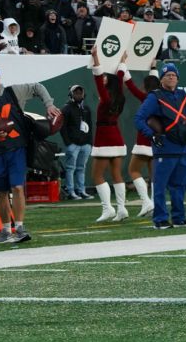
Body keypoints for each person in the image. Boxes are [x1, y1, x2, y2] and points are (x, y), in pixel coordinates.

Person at [0, 62, 60, 243]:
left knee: (17, 187)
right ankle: (6, 230)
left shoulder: (13, 92)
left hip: (17, 148)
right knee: (0, 192)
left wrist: (49, 105)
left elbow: (37, 87)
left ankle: (20, 227)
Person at [134, 63, 186, 229]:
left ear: (177, 78)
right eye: (167, 75)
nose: (171, 77)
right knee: (160, 186)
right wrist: (151, 135)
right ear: (161, 79)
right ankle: (160, 219)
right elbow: (139, 119)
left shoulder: (183, 95)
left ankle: (179, 217)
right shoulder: (154, 97)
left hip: (182, 148)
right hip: (164, 148)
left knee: (180, 185)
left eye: (173, 75)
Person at [88, 49, 133, 222]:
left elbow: (98, 78)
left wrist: (96, 57)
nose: (104, 78)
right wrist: (122, 62)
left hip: (104, 138)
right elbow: (119, 77)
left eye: (107, 77)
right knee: (116, 174)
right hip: (116, 136)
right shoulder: (119, 96)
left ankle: (108, 209)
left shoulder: (106, 98)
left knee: (97, 175)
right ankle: (122, 209)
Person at [124, 70, 162, 218]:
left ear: (145, 87)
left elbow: (131, 86)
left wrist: (123, 69)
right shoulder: (163, 98)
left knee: (133, 170)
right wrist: (153, 68)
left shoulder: (146, 97)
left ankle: (146, 202)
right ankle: (155, 204)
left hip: (145, 138)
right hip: (158, 140)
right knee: (154, 176)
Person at [60, 85, 93, 200]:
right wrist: (68, 143)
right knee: (70, 168)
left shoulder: (86, 108)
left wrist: (89, 142)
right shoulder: (66, 108)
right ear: (71, 94)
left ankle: (81, 190)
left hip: (85, 144)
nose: (79, 95)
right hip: (73, 144)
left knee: (81, 168)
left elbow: (90, 126)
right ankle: (71, 191)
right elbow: (62, 127)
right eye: (76, 93)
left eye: (80, 93)